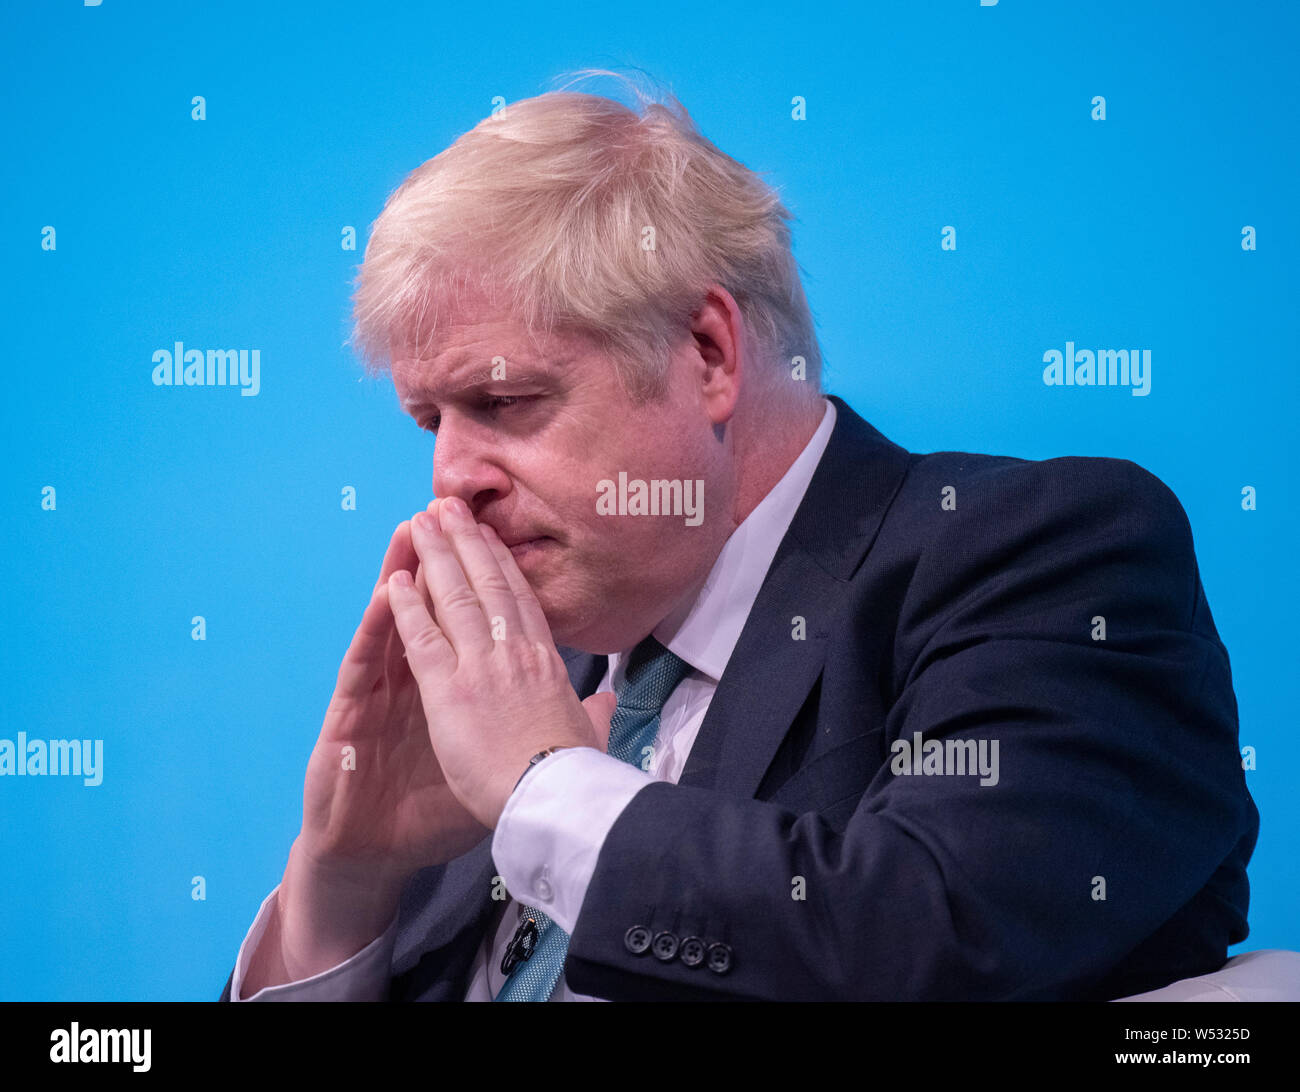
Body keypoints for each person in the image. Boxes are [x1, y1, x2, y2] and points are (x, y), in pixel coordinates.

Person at [218, 74, 1257, 1002]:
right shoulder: (517, 682)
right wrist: (342, 881)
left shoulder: (1036, 555)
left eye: (505, 399)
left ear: (708, 354)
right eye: (429, 421)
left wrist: (544, 787)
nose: (451, 477)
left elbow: (943, 939)